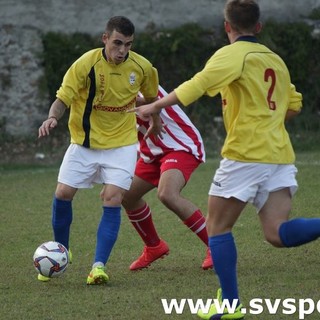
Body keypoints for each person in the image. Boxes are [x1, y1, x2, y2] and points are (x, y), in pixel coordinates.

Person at [130, 0, 320, 318]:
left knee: (217, 228)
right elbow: (294, 104)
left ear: (227, 27)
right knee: (276, 233)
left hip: (246, 154)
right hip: (279, 155)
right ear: (258, 27)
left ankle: (230, 305)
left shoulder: (231, 55)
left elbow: (199, 84)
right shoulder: (275, 60)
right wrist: (267, 121)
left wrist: (155, 106)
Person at [38, 16, 160, 285]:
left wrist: (156, 122)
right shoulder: (86, 63)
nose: (122, 50)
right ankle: (61, 251)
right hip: (84, 143)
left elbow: (152, 99)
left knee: (113, 198)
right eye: (117, 43)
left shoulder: (142, 67)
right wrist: (52, 118)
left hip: (122, 145)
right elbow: (63, 97)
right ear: (105, 38)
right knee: (63, 193)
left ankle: (98, 267)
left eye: (128, 44)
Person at [121, 85, 213, 271]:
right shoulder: (105, 81)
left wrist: (118, 103)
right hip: (151, 153)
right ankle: (154, 247)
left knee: (167, 194)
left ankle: (216, 246)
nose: (121, 53)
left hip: (180, 146)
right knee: (126, 196)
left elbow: (154, 99)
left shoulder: (139, 74)